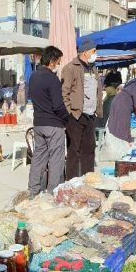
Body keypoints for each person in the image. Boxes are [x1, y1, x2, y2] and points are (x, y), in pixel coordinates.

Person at [27, 46, 69, 196]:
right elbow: (58, 106)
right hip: (53, 125)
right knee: (56, 160)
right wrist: (67, 118)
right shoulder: (52, 79)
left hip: (38, 124)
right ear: (51, 61)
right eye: (57, 62)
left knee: (38, 157)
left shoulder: (33, 76)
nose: (58, 65)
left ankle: (33, 189)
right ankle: (53, 192)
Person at [61, 38, 103, 179]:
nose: (95, 54)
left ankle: (88, 179)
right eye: (93, 51)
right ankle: (71, 182)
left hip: (90, 115)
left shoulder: (93, 68)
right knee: (74, 151)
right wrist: (70, 113)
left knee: (89, 149)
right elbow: (64, 92)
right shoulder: (70, 68)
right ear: (85, 52)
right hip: (76, 116)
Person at [101, 72, 136, 161]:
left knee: (119, 125)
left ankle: (121, 147)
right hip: (122, 104)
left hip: (120, 102)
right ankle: (121, 149)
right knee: (122, 126)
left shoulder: (135, 82)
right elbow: (134, 93)